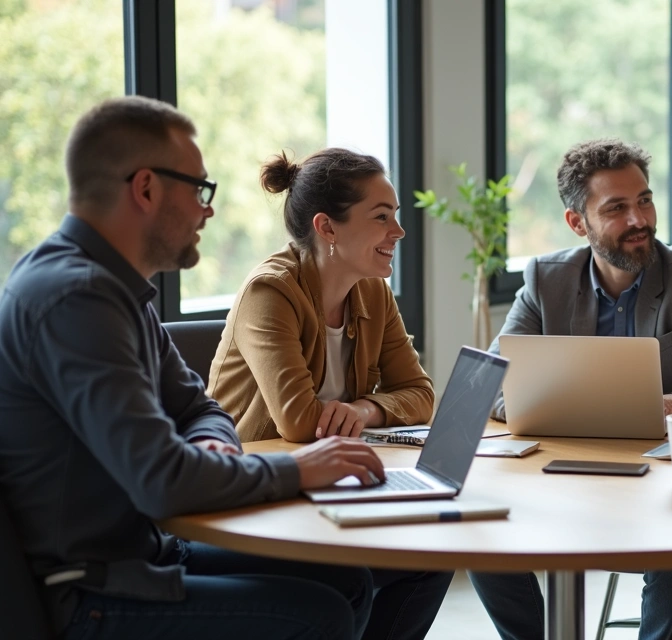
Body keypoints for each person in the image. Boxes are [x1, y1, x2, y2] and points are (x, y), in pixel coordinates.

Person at [0, 96, 391, 639]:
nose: (208, 210)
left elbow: (199, 407)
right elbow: (162, 481)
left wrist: (215, 447)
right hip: (90, 591)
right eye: (199, 190)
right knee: (318, 615)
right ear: (146, 189)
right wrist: (300, 468)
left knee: (348, 581)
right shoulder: (76, 299)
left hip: (146, 550)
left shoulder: (116, 289)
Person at [207, 147, 543, 640]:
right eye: (382, 218)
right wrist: (355, 416)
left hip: (332, 483)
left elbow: (420, 392)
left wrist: (363, 409)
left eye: (396, 217)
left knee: (431, 557)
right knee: (372, 572)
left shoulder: (372, 290)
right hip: (260, 496)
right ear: (328, 228)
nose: (399, 232)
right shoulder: (270, 294)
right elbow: (299, 422)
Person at [488, 138, 672, 640]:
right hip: (565, 470)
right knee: (479, 529)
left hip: (665, 474)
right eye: (616, 208)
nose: (639, 219)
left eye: (645, 200)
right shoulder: (545, 279)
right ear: (578, 222)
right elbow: (493, 382)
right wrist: (577, 409)